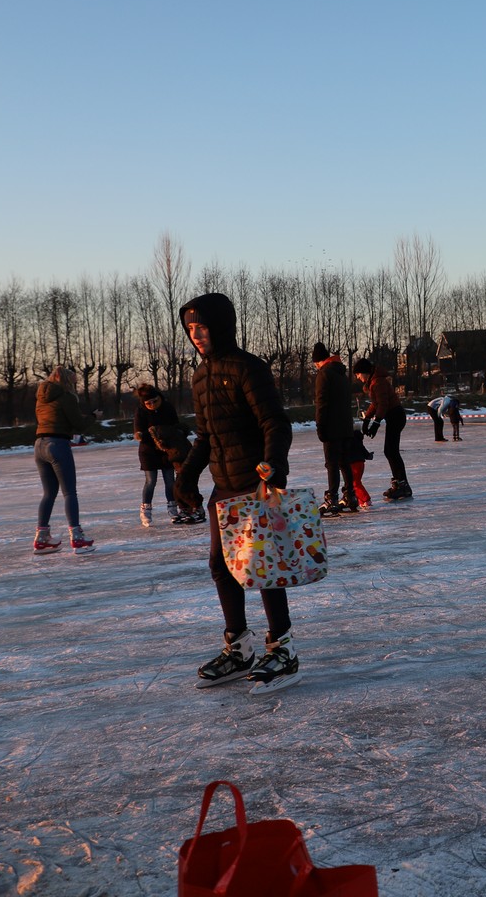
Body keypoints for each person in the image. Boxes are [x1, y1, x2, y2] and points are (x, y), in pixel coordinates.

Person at [176, 292, 300, 694]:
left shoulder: (248, 368)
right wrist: (186, 477)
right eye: (190, 328)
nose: (196, 335)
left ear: (220, 326)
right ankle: (239, 647)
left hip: (256, 482)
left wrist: (274, 464)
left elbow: (275, 422)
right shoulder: (200, 377)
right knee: (221, 565)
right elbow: (206, 437)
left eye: (202, 326)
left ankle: (283, 649)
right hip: (224, 485)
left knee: (263, 567)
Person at [32, 365, 98, 554]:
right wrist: (94, 416)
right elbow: (78, 424)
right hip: (58, 445)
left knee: (49, 493)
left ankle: (42, 538)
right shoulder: (66, 396)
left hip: (39, 445)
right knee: (69, 493)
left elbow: (55, 418)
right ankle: (77, 538)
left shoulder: (41, 397)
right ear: (68, 381)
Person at [132, 383, 197, 526]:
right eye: (148, 403)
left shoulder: (168, 408)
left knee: (170, 481)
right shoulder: (140, 411)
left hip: (167, 450)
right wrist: (146, 435)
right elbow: (139, 431)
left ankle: (173, 510)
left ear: (159, 397)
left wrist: (178, 432)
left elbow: (175, 427)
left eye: (155, 401)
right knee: (151, 481)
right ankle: (146, 510)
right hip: (148, 451)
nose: (152, 405)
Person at [352, 359, 411, 500]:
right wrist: (367, 419)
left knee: (391, 451)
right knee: (390, 451)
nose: (357, 377)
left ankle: (402, 485)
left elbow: (383, 404)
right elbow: (376, 404)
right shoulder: (374, 382)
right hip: (394, 417)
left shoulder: (378, 382)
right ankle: (400, 484)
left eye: (358, 374)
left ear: (364, 372)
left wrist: (376, 423)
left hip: (395, 416)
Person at [312, 342, 356, 515]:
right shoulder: (341, 374)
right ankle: (350, 495)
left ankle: (332, 498)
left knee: (332, 463)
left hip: (332, 426)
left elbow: (321, 402)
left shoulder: (324, 374)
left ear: (318, 361)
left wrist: (320, 425)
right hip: (345, 425)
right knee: (344, 462)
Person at [345, 422, 375, 509]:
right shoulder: (357, 437)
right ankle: (361, 501)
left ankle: (366, 499)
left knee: (354, 483)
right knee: (356, 482)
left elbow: (346, 450)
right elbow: (362, 448)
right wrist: (367, 455)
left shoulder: (350, 438)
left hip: (353, 463)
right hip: (360, 462)